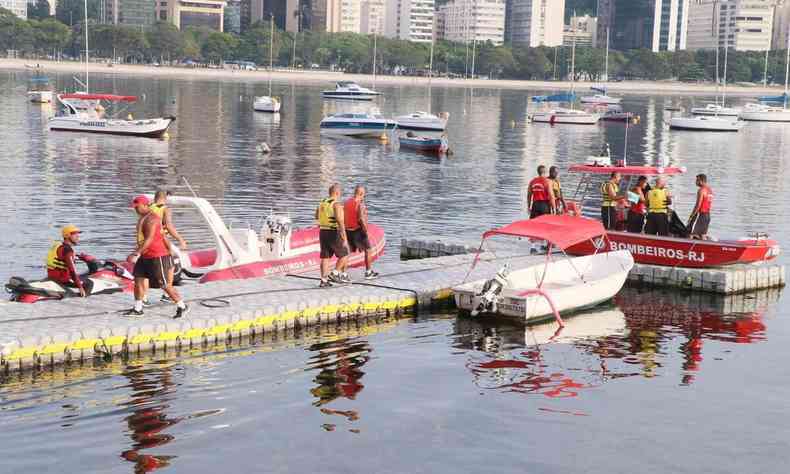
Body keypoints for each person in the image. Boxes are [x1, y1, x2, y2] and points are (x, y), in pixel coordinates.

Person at [125, 195, 189, 318]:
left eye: (137, 207)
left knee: (164, 284)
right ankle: (138, 309)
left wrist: (135, 253)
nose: (135, 210)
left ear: (144, 205)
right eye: (134, 208)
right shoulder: (143, 217)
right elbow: (160, 236)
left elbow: (149, 239)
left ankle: (182, 305)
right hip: (145, 256)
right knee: (138, 280)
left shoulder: (152, 219)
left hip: (157, 255)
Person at [150, 190, 187, 301]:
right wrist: (181, 240)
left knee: (146, 268)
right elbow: (169, 227)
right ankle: (167, 295)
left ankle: (144, 298)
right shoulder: (165, 209)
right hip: (161, 241)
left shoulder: (148, 207)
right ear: (165, 198)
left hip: (148, 241)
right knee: (172, 264)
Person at [316, 183, 350, 287]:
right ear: (336, 192)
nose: (340, 194)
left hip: (323, 231)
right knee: (345, 254)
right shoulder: (336, 204)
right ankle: (334, 273)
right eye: (340, 192)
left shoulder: (322, 203)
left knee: (325, 257)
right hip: (333, 232)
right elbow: (340, 221)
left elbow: (316, 215)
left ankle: (324, 280)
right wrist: (344, 237)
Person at [46, 224, 95, 297]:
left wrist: (79, 257)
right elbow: (72, 271)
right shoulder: (68, 250)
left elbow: (62, 258)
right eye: (75, 234)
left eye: (78, 234)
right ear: (67, 235)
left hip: (52, 277)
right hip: (62, 280)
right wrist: (80, 287)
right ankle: (83, 297)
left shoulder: (59, 246)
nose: (78, 237)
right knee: (89, 283)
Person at [344, 185, 379, 280]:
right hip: (358, 231)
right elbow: (361, 219)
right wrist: (365, 230)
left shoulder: (346, 203)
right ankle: (368, 272)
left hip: (348, 231)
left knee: (348, 253)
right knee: (368, 250)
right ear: (361, 194)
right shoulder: (360, 204)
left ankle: (343, 273)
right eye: (364, 194)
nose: (364, 196)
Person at [688, 174, 713, 239]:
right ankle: (705, 248)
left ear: (701, 181)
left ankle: (686, 248)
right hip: (707, 215)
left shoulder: (701, 190)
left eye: (697, 180)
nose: (695, 182)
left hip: (700, 214)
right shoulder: (710, 190)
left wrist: (692, 215)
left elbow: (698, 204)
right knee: (703, 234)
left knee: (691, 233)